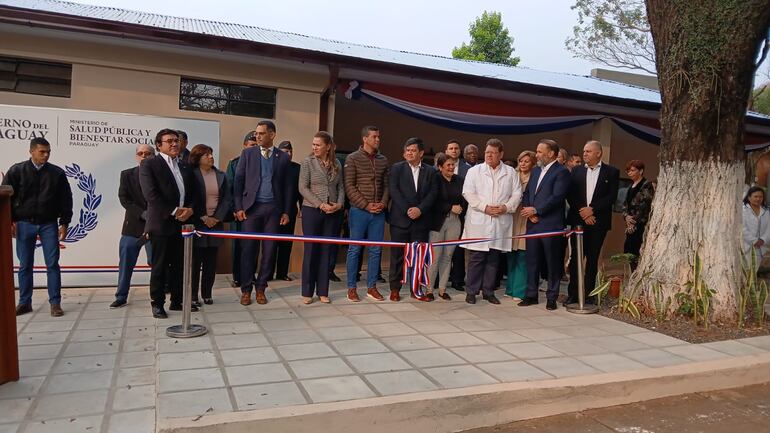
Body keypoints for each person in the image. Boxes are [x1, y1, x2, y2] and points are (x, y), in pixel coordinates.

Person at [5, 137, 73, 317]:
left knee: (52, 264)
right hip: (24, 224)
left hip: (48, 224)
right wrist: (10, 221)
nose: (46, 155)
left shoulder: (57, 173)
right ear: (31, 151)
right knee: (25, 265)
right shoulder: (17, 170)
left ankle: (55, 303)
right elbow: (6, 199)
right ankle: (24, 303)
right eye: (42, 151)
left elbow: (66, 199)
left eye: (48, 151)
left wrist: (64, 223)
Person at [139, 129, 197, 318]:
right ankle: (157, 303)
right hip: (162, 223)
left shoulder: (185, 166)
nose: (174, 144)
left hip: (183, 224)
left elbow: (194, 193)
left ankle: (177, 301)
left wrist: (190, 209)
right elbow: (151, 195)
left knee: (180, 265)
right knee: (160, 266)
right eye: (169, 141)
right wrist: (174, 211)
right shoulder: (150, 164)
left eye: (176, 141)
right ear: (159, 145)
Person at [234, 120, 292, 306]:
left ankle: (261, 288)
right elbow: (238, 181)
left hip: (273, 210)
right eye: (256, 133)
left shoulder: (282, 157)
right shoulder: (248, 153)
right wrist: (239, 207)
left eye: (261, 133)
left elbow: (288, 187)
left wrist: (286, 211)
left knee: (269, 251)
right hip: (252, 209)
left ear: (272, 135)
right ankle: (246, 289)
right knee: (248, 251)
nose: (257, 136)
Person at [461, 139, 522, 305]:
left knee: (493, 258)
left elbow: (517, 195)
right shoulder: (475, 171)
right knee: (477, 257)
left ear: (501, 154)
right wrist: (484, 207)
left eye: (492, 153)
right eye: (487, 152)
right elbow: (468, 192)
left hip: (500, 220)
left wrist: (505, 207)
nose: (488, 155)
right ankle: (471, 292)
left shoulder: (510, 172)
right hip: (480, 219)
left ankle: (488, 291)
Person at [518, 140, 571, 311]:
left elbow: (557, 197)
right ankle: (531, 295)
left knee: (552, 262)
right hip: (532, 224)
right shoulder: (535, 171)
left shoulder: (562, 171)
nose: (537, 155)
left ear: (551, 153)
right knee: (532, 261)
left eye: (540, 152)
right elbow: (526, 193)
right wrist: (529, 210)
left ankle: (551, 297)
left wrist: (537, 211)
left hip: (550, 225)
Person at [566, 140, 619, 305]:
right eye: (584, 151)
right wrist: (584, 212)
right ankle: (573, 293)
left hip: (598, 222)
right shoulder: (575, 171)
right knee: (576, 258)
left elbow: (611, 197)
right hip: (579, 221)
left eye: (588, 151)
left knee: (592, 258)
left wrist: (593, 209)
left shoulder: (611, 172)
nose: (585, 154)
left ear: (598, 153)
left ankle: (589, 294)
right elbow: (571, 194)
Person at [388, 137, 437, 302]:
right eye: (407, 150)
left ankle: (416, 290)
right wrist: (408, 210)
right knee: (397, 256)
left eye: (413, 150)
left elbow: (433, 194)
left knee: (419, 257)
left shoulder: (431, 171)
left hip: (421, 221)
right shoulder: (396, 168)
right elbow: (394, 191)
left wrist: (420, 209)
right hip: (400, 220)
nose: (409, 153)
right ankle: (395, 289)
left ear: (421, 153)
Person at [344, 125, 389, 302]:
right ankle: (351, 288)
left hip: (378, 212)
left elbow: (386, 186)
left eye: (378, 137)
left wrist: (382, 204)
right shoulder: (352, 158)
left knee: (376, 250)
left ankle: (372, 287)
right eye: (374, 137)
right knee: (354, 249)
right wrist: (366, 205)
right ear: (365, 139)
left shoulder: (383, 160)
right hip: (359, 211)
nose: (377, 139)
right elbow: (349, 186)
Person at [298, 131, 344, 304]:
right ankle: (307, 292)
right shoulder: (307, 162)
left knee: (327, 252)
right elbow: (303, 187)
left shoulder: (337, 163)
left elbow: (340, 187)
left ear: (328, 146)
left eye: (318, 145)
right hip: (312, 210)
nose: (314, 147)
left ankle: (323, 291)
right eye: (313, 144)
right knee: (311, 251)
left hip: (332, 212)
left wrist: (339, 204)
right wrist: (320, 204)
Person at [112, 144, 155, 309]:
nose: (144, 156)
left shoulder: (159, 174)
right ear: (136, 156)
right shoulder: (127, 174)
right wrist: (142, 213)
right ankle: (121, 296)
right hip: (133, 227)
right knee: (126, 263)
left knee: (156, 263)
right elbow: (124, 198)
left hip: (154, 227)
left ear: (153, 155)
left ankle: (157, 296)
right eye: (140, 153)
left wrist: (152, 215)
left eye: (148, 153)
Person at [189, 144, 232, 305]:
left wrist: (217, 217)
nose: (211, 157)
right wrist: (202, 216)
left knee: (210, 262)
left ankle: (207, 293)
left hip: (215, 224)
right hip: (197, 223)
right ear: (197, 158)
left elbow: (227, 198)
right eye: (206, 155)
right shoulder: (191, 175)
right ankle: (192, 295)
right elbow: (189, 198)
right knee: (195, 262)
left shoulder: (221, 175)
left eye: (211, 154)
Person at [426, 153, 465, 301]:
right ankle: (429, 289)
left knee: (448, 256)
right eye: (448, 165)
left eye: (453, 164)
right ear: (440, 167)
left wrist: (460, 209)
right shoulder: (435, 179)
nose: (451, 167)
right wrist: (450, 207)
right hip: (438, 222)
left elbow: (464, 199)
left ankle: (442, 289)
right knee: (435, 257)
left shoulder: (459, 180)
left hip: (455, 222)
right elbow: (433, 200)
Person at [225, 131, 257, 287]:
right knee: (238, 246)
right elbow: (229, 188)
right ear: (244, 146)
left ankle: (251, 276)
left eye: (256, 145)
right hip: (239, 211)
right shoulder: (235, 163)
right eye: (251, 145)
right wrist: (234, 209)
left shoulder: (262, 163)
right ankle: (238, 277)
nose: (253, 148)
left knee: (253, 245)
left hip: (255, 212)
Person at [505, 150, 535, 302]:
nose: (523, 164)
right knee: (511, 255)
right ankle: (509, 288)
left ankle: (519, 290)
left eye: (527, 161)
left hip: (526, 218)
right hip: (512, 217)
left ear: (533, 163)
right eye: (521, 161)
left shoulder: (535, 177)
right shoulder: (512, 175)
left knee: (522, 255)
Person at [273, 140, 301, 281]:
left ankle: (282, 273)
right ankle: (267, 273)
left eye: (290, 151)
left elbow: (301, 190)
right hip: (273, 211)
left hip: (290, 210)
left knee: (286, 243)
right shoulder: (272, 166)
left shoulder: (297, 168)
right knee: (271, 244)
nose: (289, 154)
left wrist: (301, 208)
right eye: (285, 151)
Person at [622, 160, 655, 270]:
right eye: (628, 171)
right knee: (628, 250)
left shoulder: (646, 186)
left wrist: (633, 222)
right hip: (630, 223)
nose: (630, 173)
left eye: (632, 170)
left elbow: (645, 206)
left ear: (640, 171)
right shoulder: (630, 186)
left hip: (640, 224)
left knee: (636, 251)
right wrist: (626, 217)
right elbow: (625, 204)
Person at [742, 186, 770, 269]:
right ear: (749, 197)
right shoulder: (743, 210)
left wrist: (762, 240)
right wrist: (754, 241)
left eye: (760, 197)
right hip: (745, 247)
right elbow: (742, 228)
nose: (758, 199)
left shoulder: (766, 212)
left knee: (753, 273)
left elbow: (769, 228)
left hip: (760, 248)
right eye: (755, 196)